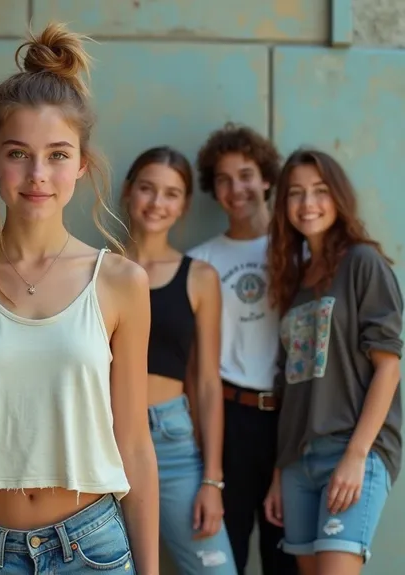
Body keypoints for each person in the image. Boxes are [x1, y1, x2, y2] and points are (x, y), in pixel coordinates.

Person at [0, 21, 159, 575]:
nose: (38, 174)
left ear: (82, 165)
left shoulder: (120, 282)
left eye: (58, 154)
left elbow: (135, 445)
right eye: (19, 153)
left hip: (91, 546)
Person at [263, 149, 402, 575]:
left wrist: (357, 456)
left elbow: (389, 366)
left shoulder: (363, 263)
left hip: (351, 449)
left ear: (339, 197)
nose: (308, 204)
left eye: (320, 191)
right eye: (296, 193)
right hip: (297, 463)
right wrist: (278, 472)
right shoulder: (294, 279)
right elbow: (291, 384)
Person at [187, 123, 297, 575]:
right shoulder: (201, 260)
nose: (237, 188)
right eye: (224, 179)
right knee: (224, 553)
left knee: (287, 556)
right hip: (229, 422)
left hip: (292, 420)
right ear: (213, 190)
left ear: (268, 178)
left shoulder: (299, 251)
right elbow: (196, 368)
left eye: (247, 174)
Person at [123, 146, 237, 574]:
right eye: (148, 189)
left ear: (184, 204)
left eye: (171, 194)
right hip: (103, 439)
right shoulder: (95, 269)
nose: (157, 203)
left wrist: (212, 479)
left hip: (171, 440)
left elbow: (207, 384)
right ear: (128, 191)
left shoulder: (200, 278)